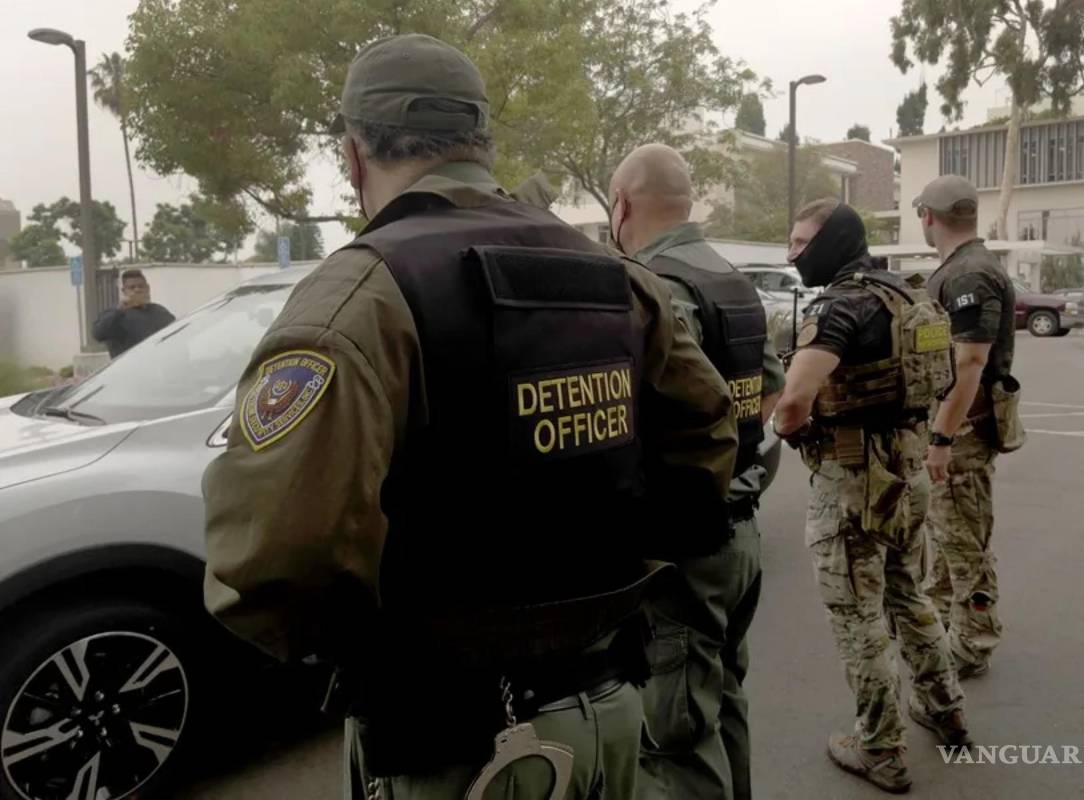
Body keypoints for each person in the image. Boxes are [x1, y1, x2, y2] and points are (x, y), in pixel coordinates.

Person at [202, 34, 740, 800]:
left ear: (353, 155)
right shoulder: (617, 277)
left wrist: (373, 652)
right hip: (614, 711)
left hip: (457, 744)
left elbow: (277, 556)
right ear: (480, 142)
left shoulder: (362, 294)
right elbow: (707, 438)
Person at [774, 199, 969, 794]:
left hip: (854, 481)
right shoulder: (914, 297)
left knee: (856, 613)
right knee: (908, 592)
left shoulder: (841, 305)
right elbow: (947, 376)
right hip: (908, 470)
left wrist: (787, 429)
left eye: (801, 242)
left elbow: (793, 400)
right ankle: (945, 710)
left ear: (831, 242)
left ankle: (880, 748)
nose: (792, 254)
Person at [609, 143, 784, 800]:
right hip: (739, 535)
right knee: (724, 700)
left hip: (685, 546)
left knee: (676, 736)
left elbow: (645, 416)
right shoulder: (731, 280)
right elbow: (768, 392)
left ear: (621, 205)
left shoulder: (655, 286)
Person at [914, 175, 1021, 680]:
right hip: (962, 428)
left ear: (929, 217)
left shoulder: (968, 275)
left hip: (962, 433)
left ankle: (973, 642)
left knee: (964, 542)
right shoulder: (965, 267)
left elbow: (971, 361)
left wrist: (940, 438)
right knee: (949, 534)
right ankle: (939, 626)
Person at [91, 269, 175, 357]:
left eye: (141, 286)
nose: (137, 290)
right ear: (124, 291)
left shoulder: (160, 311)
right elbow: (98, 334)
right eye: (132, 287)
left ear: (148, 288)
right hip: (129, 368)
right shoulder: (116, 314)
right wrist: (119, 310)